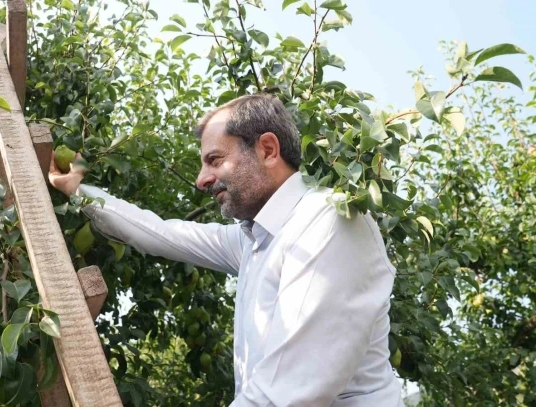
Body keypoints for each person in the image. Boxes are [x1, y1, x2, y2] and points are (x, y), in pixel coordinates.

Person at [48, 94, 405, 406]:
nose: (202, 179)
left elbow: (285, 394)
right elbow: (158, 233)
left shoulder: (328, 222)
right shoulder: (252, 239)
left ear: (267, 150)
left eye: (214, 160)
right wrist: (78, 191)